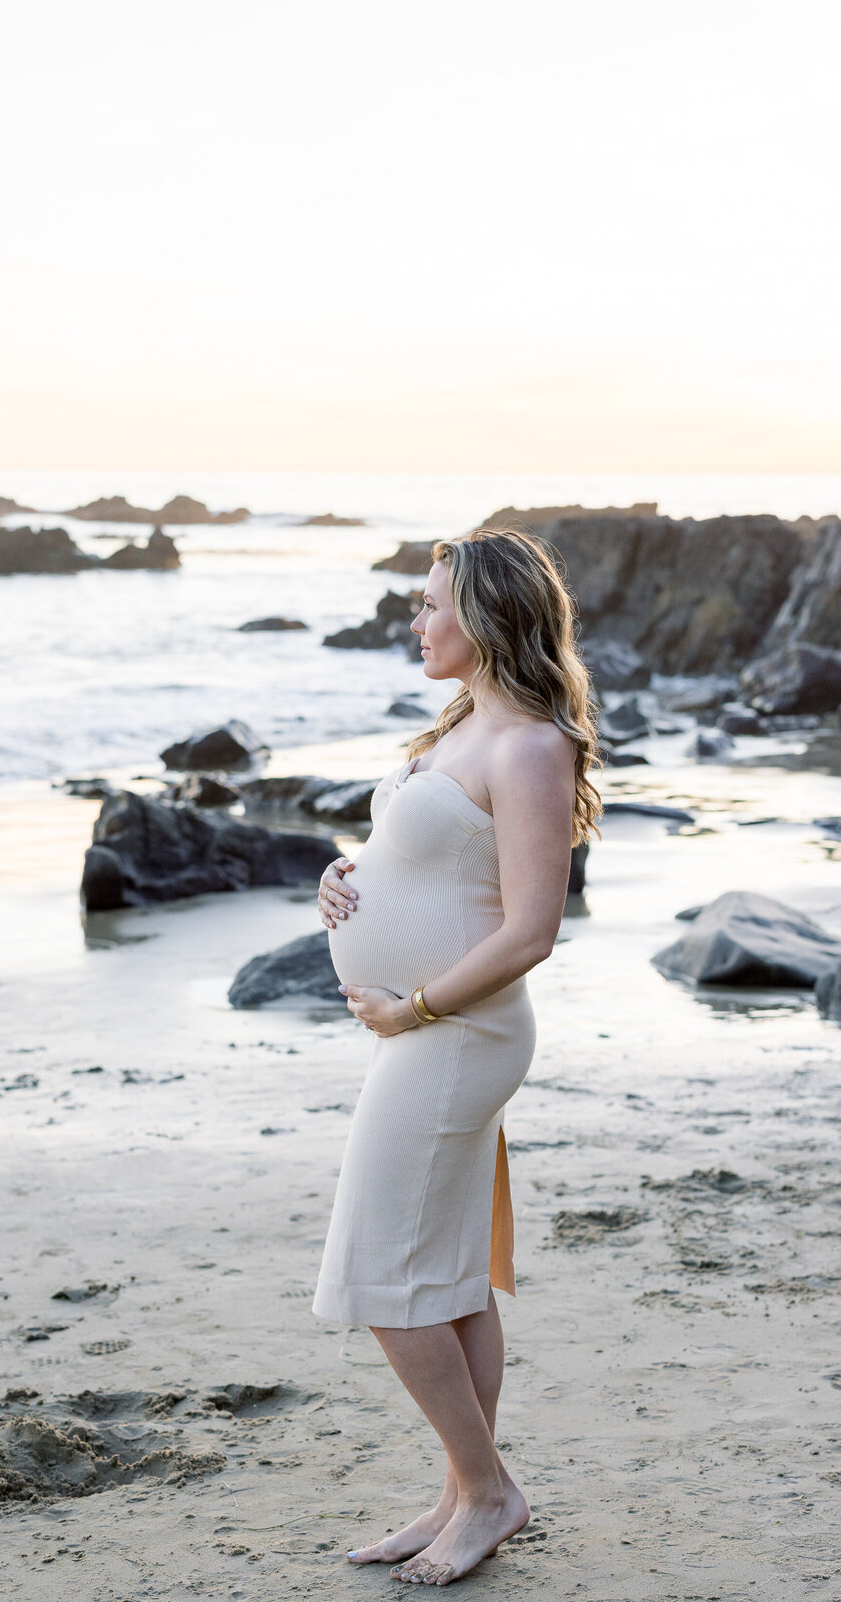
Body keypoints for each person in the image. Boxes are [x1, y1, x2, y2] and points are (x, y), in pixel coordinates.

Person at [312, 528, 601, 1587]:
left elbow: (530, 929)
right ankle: (460, 1489)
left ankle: (488, 1492)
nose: (417, 622)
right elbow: (423, 857)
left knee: (384, 1277)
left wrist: (416, 1006)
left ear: (484, 615)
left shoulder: (531, 744)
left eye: (433, 604)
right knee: (447, 1273)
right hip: (430, 1032)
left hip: (457, 1036)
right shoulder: (464, 724)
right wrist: (341, 876)